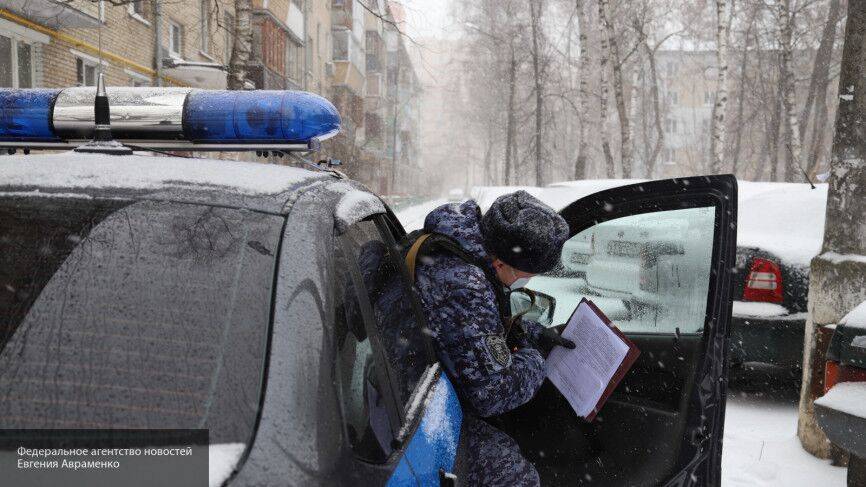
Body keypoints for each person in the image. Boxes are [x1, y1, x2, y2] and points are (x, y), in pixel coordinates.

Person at [413, 190, 574, 487]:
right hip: (414, 407)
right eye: (526, 275)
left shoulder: (460, 244)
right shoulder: (464, 284)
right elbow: (491, 394)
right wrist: (537, 358)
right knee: (515, 476)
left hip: (426, 375)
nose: (527, 283)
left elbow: (476, 332)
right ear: (501, 264)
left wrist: (535, 335)